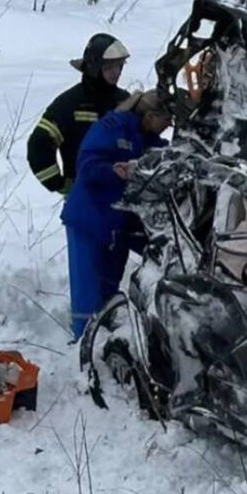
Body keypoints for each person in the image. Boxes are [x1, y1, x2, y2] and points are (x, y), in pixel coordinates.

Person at [61, 90, 172, 339]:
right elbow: (87, 166)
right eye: (166, 120)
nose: (168, 127)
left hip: (118, 225)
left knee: (108, 289)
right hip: (90, 221)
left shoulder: (152, 140)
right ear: (151, 115)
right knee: (88, 293)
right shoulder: (112, 127)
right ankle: (82, 343)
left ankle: (103, 340)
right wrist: (113, 171)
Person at [27, 33, 132, 196]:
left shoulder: (125, 100)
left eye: (119, 65)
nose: (116, 72)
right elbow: (39, 143)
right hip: (85, 199)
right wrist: (59, 183)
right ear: (94, 67)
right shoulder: (70, 103)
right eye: (108, 67)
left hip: (124, 196)